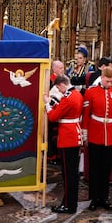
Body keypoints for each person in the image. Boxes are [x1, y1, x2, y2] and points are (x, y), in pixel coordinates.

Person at [82, 67, 112, 211]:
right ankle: (93, 198)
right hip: (95, 133)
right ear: (102, 78)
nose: (109, 84)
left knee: (106, 170)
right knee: (94, 169)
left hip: (110, 134)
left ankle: (104, 198)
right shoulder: (91, 92)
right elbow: (86, 115)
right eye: (107, 81)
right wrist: (85, 134)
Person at [43, 75, 83, 214]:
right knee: (72, 173)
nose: (59, 92)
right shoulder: (76, 94)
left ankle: (68, 205)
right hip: (74, 135)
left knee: (68, 175)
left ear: (61, 85)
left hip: (68, 138)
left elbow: (54, 116)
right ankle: (71, 203)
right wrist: (53, 103)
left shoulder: (69, 97)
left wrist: (47, 105)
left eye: (59, 89)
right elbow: (63, 108)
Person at [48, 60, 65, 164]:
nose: (63, 70)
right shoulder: (49, 80)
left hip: (62, 110)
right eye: (60, 68)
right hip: (52, 110)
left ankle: (59, 155)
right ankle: (52, 156)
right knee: (51, 134)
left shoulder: (64, 79)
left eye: (63, 68)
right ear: (54, 69)